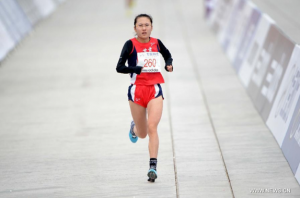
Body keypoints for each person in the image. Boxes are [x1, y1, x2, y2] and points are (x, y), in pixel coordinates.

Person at [116, 14, 173, 182]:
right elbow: (119, 67)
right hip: (136, 92)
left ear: (151, 27)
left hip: (154, 90)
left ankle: (153, 167)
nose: (143, 28)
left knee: (152, 127)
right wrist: (135, 68)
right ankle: (134, 128)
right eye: (140, 25)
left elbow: (167, 55)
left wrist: (169, 64)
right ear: (135, 28)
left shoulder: (156, 42)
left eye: (147, 25)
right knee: (142, 133)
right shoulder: (129, 45)